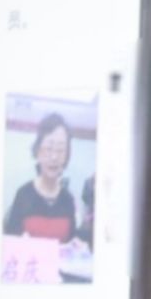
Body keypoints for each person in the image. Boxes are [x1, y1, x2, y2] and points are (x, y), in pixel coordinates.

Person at [5, 108, 93, 273]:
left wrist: (76, 246)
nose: (54, 157)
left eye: (60, 150)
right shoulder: (23, 194)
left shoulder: (68, 199)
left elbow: (68, 245)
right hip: (29, 276)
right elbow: (8, 246)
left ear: (66, 156)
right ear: (38, 152)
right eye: (49, 148)